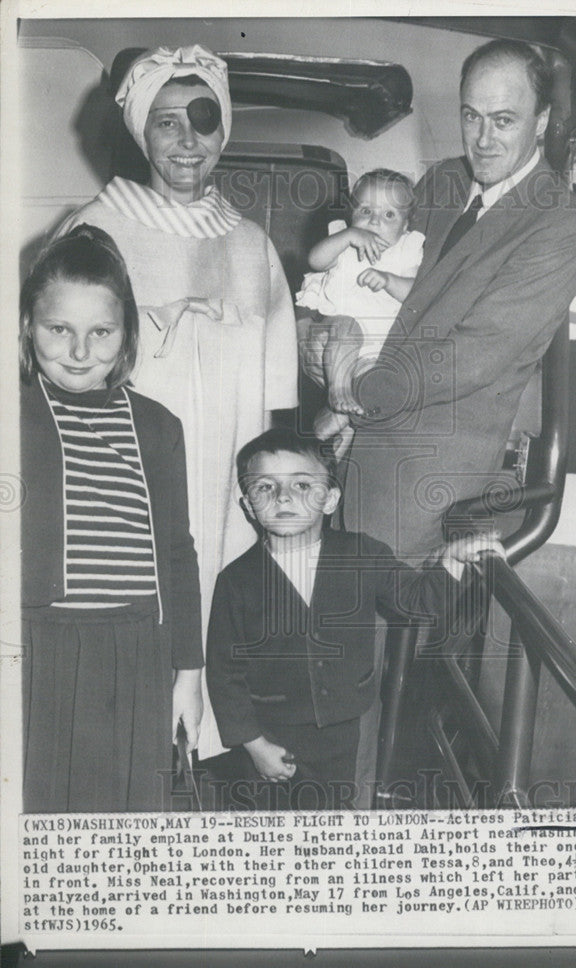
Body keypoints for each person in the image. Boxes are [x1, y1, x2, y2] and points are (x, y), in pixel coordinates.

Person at [57, 45, 298, 758]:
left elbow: (278, 394)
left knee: (215, 638)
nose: (187, 141)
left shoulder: (253, 245)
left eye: (203, 121)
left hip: (227, 483)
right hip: (128, 484)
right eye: (167, 123)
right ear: (141, 132)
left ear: (224, 130)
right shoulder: (96, 229)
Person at [319, 39, 576, 562]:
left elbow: (468, 358)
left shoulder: (562, 225)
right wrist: (328, 345)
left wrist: (348, 386)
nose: (483, 140)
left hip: (425, 482)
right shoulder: (444, 181)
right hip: (348, 451)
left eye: (504, 120)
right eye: (471, 116)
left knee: (377, 634)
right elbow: (371, 286)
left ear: (541, 120)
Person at [205, 428, 498, 810]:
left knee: (329, 814)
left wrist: (452, 563)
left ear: (330, 500)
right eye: (265, 487)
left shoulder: (363, 554)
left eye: (303, 485)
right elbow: (225, 673)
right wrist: (254, 745)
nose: (284, 497)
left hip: (341, 731)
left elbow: (416, 602)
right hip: (269, 728)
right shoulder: (236, 581)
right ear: (247, 506)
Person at [19, 224, 203, 812]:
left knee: (126, 821)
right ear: (27, 326)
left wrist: (188, 675)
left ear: (126, 335)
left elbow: (178, 553)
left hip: (135, 651)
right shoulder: (11, 415)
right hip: (38, 648)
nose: (79, 352)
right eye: (58, 330)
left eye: (101, 332)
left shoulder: (156, 427)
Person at [296, 169, 424, 447]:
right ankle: (338, 390)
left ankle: (336, 433)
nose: (374, 221)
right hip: (336, 334)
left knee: (368, 396)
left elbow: (417, 293)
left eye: (389, 215)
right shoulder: (343, 240)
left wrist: (390, 280)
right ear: (352, 215)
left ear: (405, 226)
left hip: (376, 350)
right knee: (347, 327)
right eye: (365, 210)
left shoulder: (408, 250)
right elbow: (315, 261)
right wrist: (347, 237)